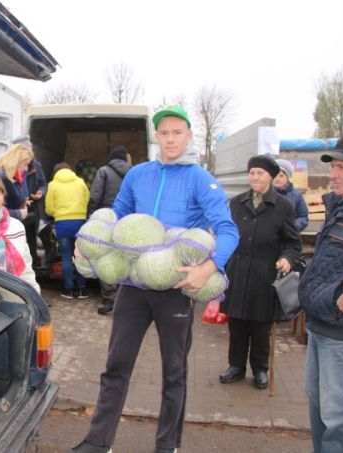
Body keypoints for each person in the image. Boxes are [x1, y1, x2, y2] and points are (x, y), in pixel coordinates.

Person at [66, 106, 238, 453]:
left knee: (174, 373)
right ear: (155, 136)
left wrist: (211, 267)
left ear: (189, 136)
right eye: (164, 132)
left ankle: (167, 445)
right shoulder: (138, 174)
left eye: (177, 132)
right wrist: (91, 241)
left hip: (176, 288)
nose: (170, 138)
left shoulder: (200, 179)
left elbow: (227, 229)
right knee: (115, 365)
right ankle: (98, 443)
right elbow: (116, 217)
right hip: (132, 287)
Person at [299, 136, 343, 453]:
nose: (333, 173)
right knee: (321, 412)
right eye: (333, 166)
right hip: (321, 324)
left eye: (342, 166)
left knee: (339, 419)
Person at [218, 154, 302, 390]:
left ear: (271, 177)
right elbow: (227, 234)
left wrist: (287, 258)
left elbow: (293, 244)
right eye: (252, 172)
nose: (255, 177)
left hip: (264, 275)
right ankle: (235, 366)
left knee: (260, 326)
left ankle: (260, 369)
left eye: (260, 173)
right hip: (237, 272)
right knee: (236, 324)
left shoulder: (283, 206)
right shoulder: (236, 203)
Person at [87, 145, 132, 315]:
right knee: (127, 257)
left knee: (105, 256)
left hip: (107, 219)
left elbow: (95, 195)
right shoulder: (134, 172)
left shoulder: (104, 171)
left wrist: (91, 216)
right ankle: (126, 298)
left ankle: (110, 299)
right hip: (128, 220)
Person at [45, 162, 90, 299]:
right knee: (80, 255)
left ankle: (69, 289)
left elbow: (49, 208)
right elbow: (87, 200)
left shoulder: (53, 185)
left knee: (66, 256)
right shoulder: (81, 182)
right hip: (80, 223)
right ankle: (82, 289)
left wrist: (57, 213)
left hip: (62, 223)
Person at [12, 135, 48, 267]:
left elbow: (43, 184)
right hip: (17, 212)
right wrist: (26, 198)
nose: (31, 153)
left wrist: (41, 192)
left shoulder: (37, 166)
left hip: (32, 211)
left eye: (31, 149)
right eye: (28, 149)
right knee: (17, 242)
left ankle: (31, 270)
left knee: (31, 241)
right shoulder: (11, 167)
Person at [0, 144, 33, 222]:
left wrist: (24, 202)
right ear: (16, 161)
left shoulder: (15, 177)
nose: (26, 169)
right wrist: (19, 213)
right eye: (25, 164)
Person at [273, 158, 309, 231]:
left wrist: (292, 227)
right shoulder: (264, 194)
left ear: (287, 177)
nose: (277, 179)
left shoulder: (296, 196)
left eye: (281, 176)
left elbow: (303, 217)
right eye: (275, 175)